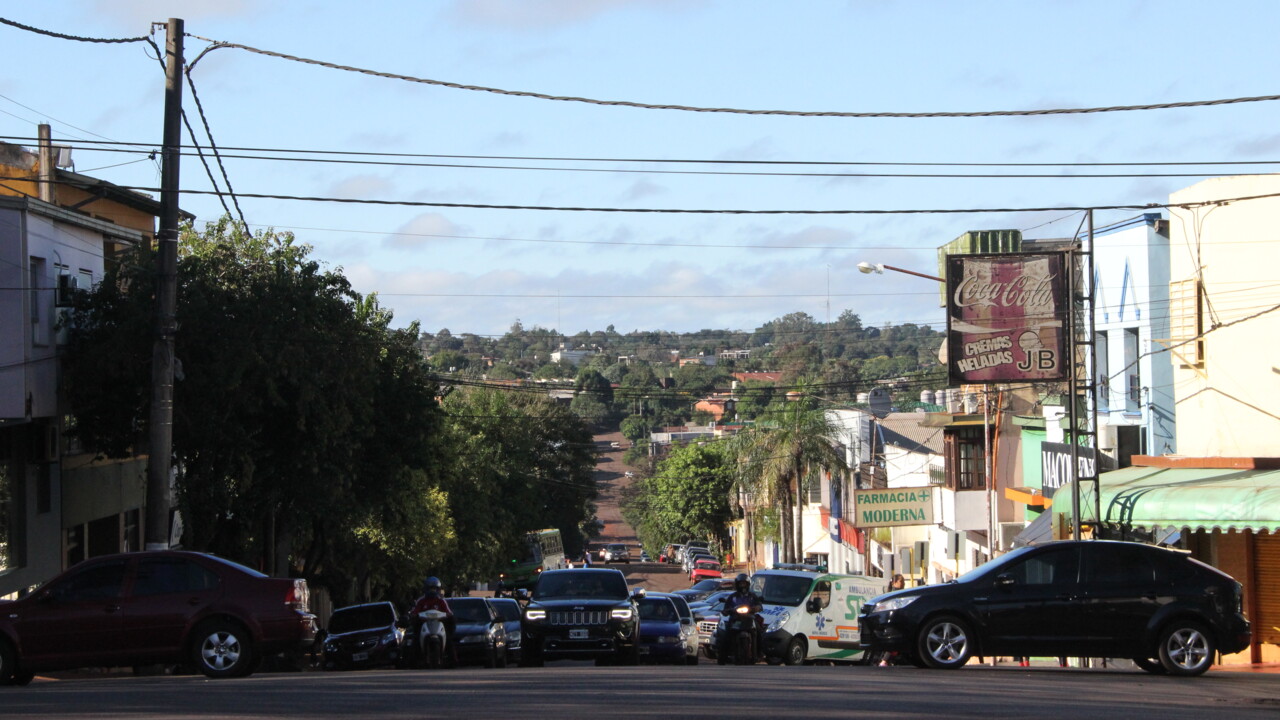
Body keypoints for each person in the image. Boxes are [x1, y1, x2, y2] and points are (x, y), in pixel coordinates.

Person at [718, 573, 764, 663]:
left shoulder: (752, 596)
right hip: (735, 619)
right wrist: (727, 611)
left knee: (759, 632)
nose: (742, 586)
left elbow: (759, 605)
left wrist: (756, 608)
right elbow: (726, 607)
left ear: (748, 584)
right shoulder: (733, 597)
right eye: (740, 584)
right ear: (737, 584)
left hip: (749, 618)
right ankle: (723, 657)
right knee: (726, 635)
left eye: (744, 583)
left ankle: (759, 653)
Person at [411, 576, 456, 664]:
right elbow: (415, 612)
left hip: (438, 624)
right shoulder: (421, 601)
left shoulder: (441, 601)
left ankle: (452, 660)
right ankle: (415, 661)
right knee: (415, 640)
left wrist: (448, 615)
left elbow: (449, 612)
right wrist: (414, 615)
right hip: (424, 624)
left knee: (449, 641)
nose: (432, 591)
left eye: (434, 588)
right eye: (430, 588)